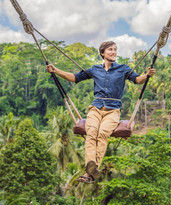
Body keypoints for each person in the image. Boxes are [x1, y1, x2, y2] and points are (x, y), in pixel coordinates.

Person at [47, 41, 155, 183]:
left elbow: (138, 79)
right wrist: (56, 71)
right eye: (110, 50)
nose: (113, 52)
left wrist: (147, 75)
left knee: (102, 134)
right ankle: (91, 172)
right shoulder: (95, 69)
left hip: (112, 111)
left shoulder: (123, 69)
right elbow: (75, 78)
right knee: (92, 133)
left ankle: (90, 171)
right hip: (96, 109)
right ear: (103, 53)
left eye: (115, 50)